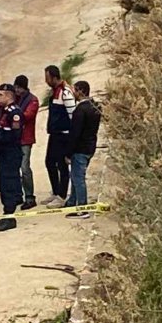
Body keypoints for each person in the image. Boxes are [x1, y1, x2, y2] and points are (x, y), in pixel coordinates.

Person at [0, 84, 24, 232]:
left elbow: (15, 136)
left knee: (8, 185)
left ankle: (10, 217)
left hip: (11, 154)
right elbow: (3, 131)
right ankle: (7, 213)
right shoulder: (4, 111)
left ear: (8, 96)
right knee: (3, 184)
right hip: (4, 153)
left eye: (0, 95)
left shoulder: (14, 113)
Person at [64, 80, 101, 219]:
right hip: (90, 147)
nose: (73, 93)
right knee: (75, 176)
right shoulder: (95, 107)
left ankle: (82, 209)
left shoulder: (80, 110)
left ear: (80, 91)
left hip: (80, 149)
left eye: (74, 90)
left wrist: (68, 153)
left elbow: (75, 134)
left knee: (78, 179)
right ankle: (72, 202)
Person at [42, 65, 76, 209]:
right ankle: (56, 192)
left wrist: (71, 137)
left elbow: (73, 115)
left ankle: (62, 196)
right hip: (54, 134)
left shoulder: (65, 93)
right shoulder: (54, 92)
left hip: (64, 135)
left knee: (62, 166)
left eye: (47, 78)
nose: (46, 81)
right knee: (49, 162)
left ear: (54, 77)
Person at [13, 75, 40, 210]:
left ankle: (30, 197)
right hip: (15, 137)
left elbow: (27, 116)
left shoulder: (32, 100)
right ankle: (18, 194)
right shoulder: (15, 98)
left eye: (19, 88)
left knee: (24, 168)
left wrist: (14, 114)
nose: (17, 90)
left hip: (25, 138)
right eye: (16, 87)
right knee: (14, 167)